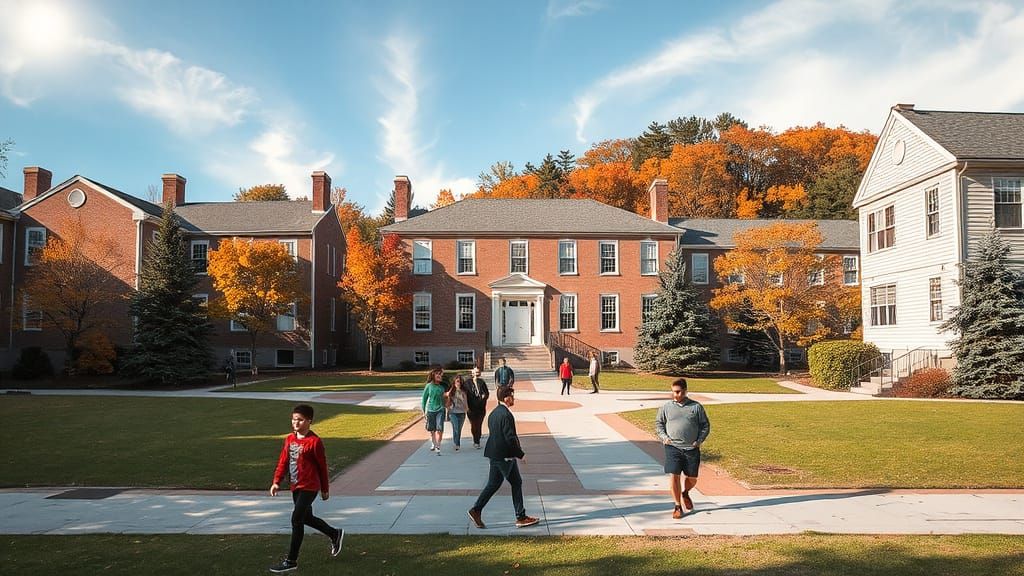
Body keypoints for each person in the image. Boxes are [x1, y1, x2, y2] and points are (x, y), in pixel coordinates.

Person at [269, 404, 344, 573]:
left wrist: (325, 488)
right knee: (306, 518)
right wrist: (276, 481)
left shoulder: (315, 442)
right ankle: (334, 534)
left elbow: (322, 467)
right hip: (295, 485)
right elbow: (283, 462)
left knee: (296, 519)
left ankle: (291, 561)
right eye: (294, 419)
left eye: (300, 420)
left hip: (310, 486)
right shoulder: (289, 439)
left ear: (309, 421)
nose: (296, 423)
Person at [467, 386, 540, 529]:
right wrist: (520, 454)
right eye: (512, 396)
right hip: (504, 456)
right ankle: (520, 516)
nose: (514, 398)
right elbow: (509, 437)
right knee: (507, 483)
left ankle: (478, 510)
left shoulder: (494, 413)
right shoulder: (506, 415)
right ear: (507, 398)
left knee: (505, 483)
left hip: (496, 454)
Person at [654, 378, 711, 519]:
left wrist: (699, 441)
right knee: (674, 475)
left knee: (692, 478)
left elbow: (705, 425)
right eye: (673, 392)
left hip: (691, 448)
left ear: (685, 391)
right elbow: (659, 424)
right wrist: (664, 437)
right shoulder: (666, 407)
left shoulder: (696, 407)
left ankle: (685, 493)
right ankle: (677, 506)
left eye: (678, 392)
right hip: (672, 447)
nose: (675, 395)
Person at [421, 366, 447, 455]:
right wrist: (424, 412)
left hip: (440, 409)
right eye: (438, 374)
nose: (440, 376)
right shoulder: (429, 386)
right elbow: (424, 399)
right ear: (434, 376)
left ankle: (438, 445)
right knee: (432, 429)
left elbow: (445, 400)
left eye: (441, 375)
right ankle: (433, 442)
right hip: (431, 410)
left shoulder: (442, 388)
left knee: (439, 428)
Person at [464, 366, 490, 449]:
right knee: (474, 424)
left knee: (479, 424)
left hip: (481, 407)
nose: (477, 374)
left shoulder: (482, 382)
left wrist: (484, 397)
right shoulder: (467, 383)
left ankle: (477, 437)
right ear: (472, 373)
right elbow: (464, 394)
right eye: (475, 372)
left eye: (478, 372)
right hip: (471, 408)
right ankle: (476, 441)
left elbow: (487, 393)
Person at [445, 374, 469, 451]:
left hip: (462, 413)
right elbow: (447, 401)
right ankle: (457, 444)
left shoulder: (464, 391)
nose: (459, 383)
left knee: (459, 429)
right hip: (453, 412)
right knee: (456, 428)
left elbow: (465, 402)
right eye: (457, 381)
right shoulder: (451, 391)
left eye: (460, 382)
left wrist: (467, 410)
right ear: (454, 382)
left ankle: (456, 442)